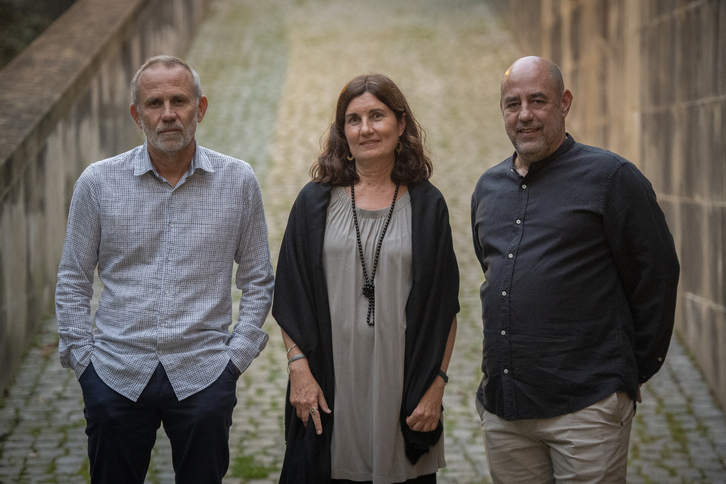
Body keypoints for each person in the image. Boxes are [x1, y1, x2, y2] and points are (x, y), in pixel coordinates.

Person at [55, 55, 274, 483]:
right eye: (155, 103)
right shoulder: (97, 183)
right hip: (115, 375)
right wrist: (83, 362)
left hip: (205, 375)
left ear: (201, 107)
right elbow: (72, 279)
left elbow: (258, 278)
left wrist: (236, 359)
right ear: (138, 114)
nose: (168, 114)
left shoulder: (238, 181)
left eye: (180, 100)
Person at [471, 56, 680, 483]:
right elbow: (493, 271)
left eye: (537, 101)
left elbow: (656, 275)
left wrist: (629, 371)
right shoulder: (488, 188)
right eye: (513, 104)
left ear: (564, 103)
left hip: (587, 410)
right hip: (507, 412)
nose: (524, 115)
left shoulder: (611, 178)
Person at [272, 74, 460, 484]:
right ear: (343, 132)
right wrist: (298, 369)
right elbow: (290, 291)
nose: (366, 128)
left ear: (401, 123)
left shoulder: (428, 206)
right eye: (354, 119)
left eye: (377, 115)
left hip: (400, 385)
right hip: (328, 381)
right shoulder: (313, 202)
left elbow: (443, 308)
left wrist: (436, 387)